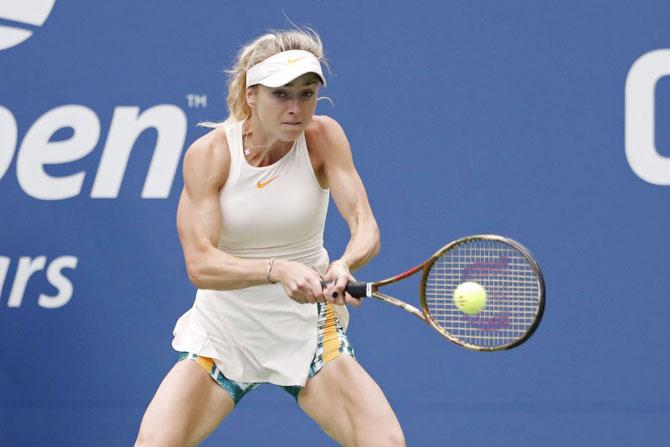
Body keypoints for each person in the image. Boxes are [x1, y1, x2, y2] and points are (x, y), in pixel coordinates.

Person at [135, 29, 406, 447]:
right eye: (281, 94)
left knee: (385, 443)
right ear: (250, 95)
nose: (297, 109)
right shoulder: (210, 155)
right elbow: (200, 265)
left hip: (307, 334)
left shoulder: (324, 137)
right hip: (222, 336)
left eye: (307, 93)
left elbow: (365, 226)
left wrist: (345, 264)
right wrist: (275, 269)